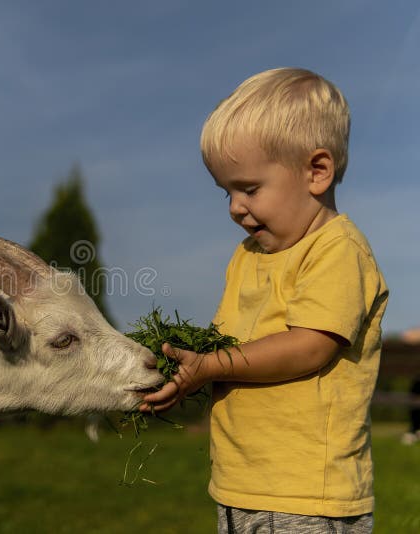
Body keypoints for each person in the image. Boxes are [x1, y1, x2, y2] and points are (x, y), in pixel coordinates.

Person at [140, 68, 389, 533]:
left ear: (317, 172)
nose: (235, 207)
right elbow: (223, 345)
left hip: (306, 492)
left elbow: (310, 345)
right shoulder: (247, 257)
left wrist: (212, 366)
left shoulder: (337, 250)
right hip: (242, 483)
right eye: (227, 191)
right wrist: (186, 373)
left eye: (249, 189)